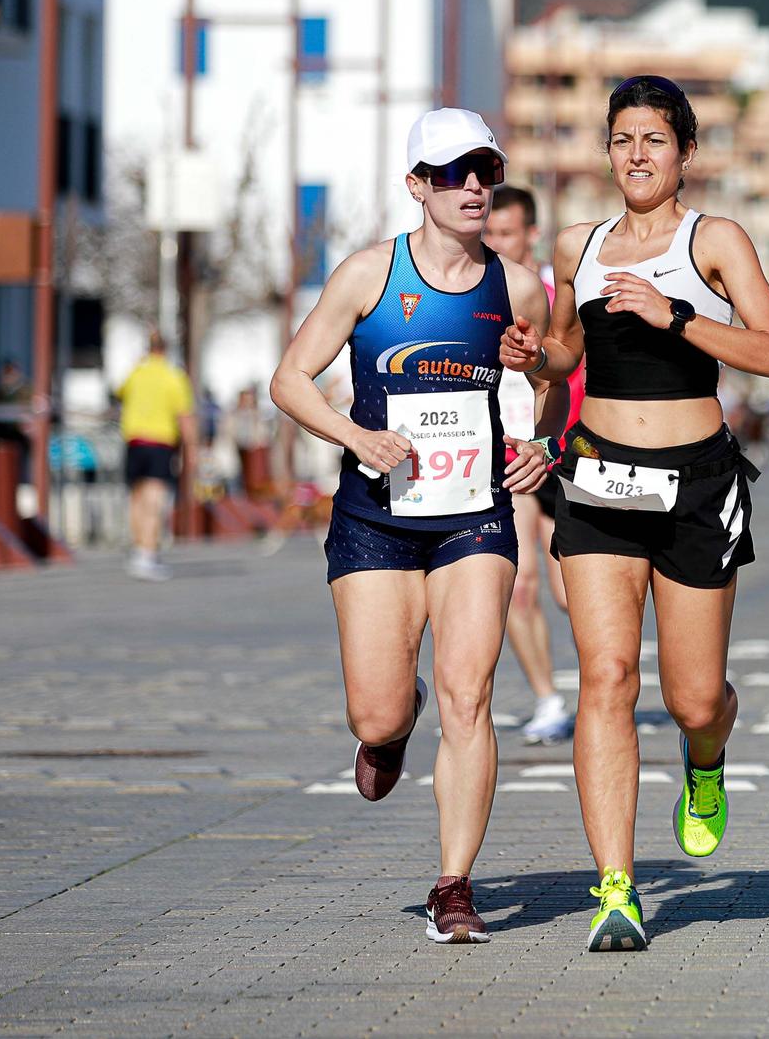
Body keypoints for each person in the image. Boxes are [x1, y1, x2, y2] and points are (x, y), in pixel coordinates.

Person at [504, 75, 769, 953]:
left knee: (694, 695)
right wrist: (535, 357)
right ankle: (617, 889)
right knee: (609, 678)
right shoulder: (578, 245)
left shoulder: (715, 240)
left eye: (655, 140)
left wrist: (678, 314)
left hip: (698, 481)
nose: (636, 154)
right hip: (598, 477)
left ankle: (705, 760)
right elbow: (567, 346)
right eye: (623, 138)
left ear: (685, 153)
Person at [270, 108, 558, 944]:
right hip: (376, 515)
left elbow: (552, 384)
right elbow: (289, 379)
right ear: (417, 187)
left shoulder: (519, 285)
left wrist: (539, 431)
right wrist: (354, 435)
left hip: (476, 513)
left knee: (471, 696)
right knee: (376, 713)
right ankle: (395, 721)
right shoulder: (368, 274)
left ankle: (453, 883)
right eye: (453, 172)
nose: (473, 186)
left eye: (484, 170)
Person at [485, 183, 577, 746]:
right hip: (506, 458)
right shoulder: (471, 296)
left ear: (531, 234)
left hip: (560, 454)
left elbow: (575, 377)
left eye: (505, 233)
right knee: (518, 584)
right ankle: (547, 698)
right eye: (488, 233)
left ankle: (609, 681)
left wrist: (556, 442)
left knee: (570, 592)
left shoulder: (553, 298)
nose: (495, 242)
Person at [117, 330, 195, 581]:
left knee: (136, 497)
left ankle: (139, 548)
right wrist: (192, 449)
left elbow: (121, 393)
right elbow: (184, 416)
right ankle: (148, 554)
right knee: (154, 499)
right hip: (159, 442)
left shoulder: (136, 373)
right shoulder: (173, 376)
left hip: (133, 440)